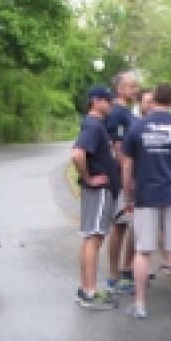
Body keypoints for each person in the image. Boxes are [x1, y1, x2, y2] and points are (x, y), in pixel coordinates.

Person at [121, 83, 171, 320]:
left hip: (146, 194)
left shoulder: (138, 127)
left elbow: (126, 166)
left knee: (143, 251)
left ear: (153, 99)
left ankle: (140, 304)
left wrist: (128, 196)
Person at [70, 85, 120, 310]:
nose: (110, 105)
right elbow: (78, 153)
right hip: (98, 190)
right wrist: (88, 177)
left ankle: (86, 288)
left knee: (92, 238)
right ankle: (89, 292)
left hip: (100, 191)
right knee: (93, 237)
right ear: (96, 101)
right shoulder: (93, 125)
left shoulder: (96, 125)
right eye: (108, 101)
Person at [106, 71, 140, 295]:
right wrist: (127, 174)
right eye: (132, 86)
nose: (136, 89)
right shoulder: (117, 114)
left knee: (134, 226)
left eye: (136, 86)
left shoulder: (129, 113)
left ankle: (128, 269)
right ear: (120, 89)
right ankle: (113, 274)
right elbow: (117, 147)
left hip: (135, 177)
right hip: (122, 179)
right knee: (120, 226)